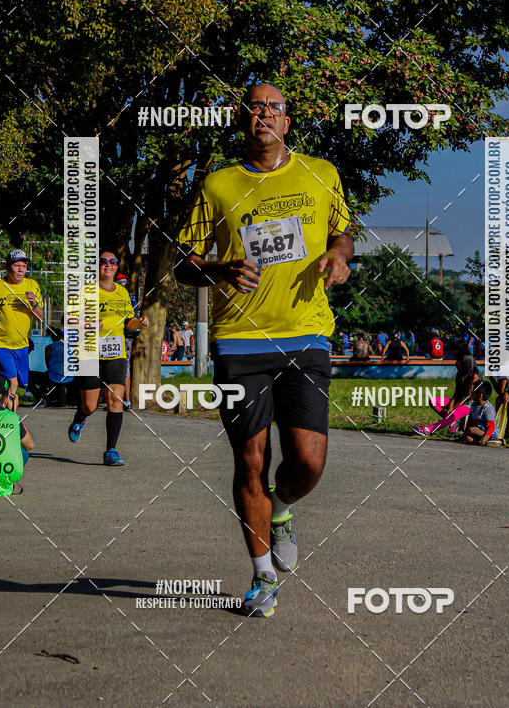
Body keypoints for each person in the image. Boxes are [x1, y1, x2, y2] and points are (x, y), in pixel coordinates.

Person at [175, 81, 353, 617]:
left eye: (274, 106)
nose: (264, 115)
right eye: (254, 107)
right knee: (250, 458)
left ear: (287, 121)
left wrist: (339, 257)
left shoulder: (322, 173)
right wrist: (217, 268)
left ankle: (280, 509)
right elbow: (185, 261)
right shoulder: (218, 186)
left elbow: (343, 233)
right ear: (242, 120)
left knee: (308, 463)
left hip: (306, 335)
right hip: (239, 340)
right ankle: (262, 576)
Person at [67, 248, 150, 465]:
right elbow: (69, 319)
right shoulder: (85, 291)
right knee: (90, 405)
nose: (108, 265)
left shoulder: (122, 293)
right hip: (90, 353)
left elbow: (128, 323)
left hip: (116, 353)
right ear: (97, 267)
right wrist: (88, 325)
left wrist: (139, 322)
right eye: (103, 262)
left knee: (116, 400)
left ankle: (111, 450)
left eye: (112, 262)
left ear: (116, 267)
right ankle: (80, 416)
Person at [0, 249, 44, 413]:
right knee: (13, 382)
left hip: (22, 345)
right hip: (0, 343)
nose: (21, 269)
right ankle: (9, 422)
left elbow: (41, 318)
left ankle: (4, 417)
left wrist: (34, 304)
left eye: (24, 266)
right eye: (17, 265)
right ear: (8, 267)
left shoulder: (32, 285)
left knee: (13, 388)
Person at [411, 346, 481, 436]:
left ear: (464, 362)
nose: (455, 363)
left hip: (469, 406)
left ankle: (428, 430)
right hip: (458, 401)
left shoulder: (474, 376)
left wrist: (452, 409)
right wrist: (451, 403)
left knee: (450, 416)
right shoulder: (460, 374)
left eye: (457, 361)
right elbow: (456, 392)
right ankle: (453, 423)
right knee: (433, 401)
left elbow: (467, 397)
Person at [0, 373, 34, 496]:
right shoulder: (12, 418)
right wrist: (13, 413)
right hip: (6, 474)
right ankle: (5, 479)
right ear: (6, 398)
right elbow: (29, 445)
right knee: (23, 450)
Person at [116, 274, 140, 411]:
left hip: (120, 334)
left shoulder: (119, 295)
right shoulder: (131, 296)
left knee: (118, 366)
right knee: (125, 367)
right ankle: (126, 401)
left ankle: (121, 399)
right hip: (127, 335)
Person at [462, 380, 499, 446]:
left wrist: (487, 436)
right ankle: (482, 442)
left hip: (489, 433)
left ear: (480, 396)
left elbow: (491, 425)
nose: (470, 393)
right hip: (479, 430)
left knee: (471, 430)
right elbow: (470, 420)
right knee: (468, 438)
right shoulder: (474, 404)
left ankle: (493, 440)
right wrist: (465, 432)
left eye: (472, 392)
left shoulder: (487, 408)